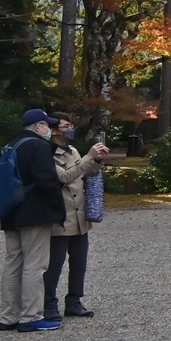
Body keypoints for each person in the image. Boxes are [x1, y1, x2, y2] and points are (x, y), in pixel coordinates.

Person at [0, 108, 68, 333]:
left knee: (13, 264)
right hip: (35, 212)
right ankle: (31, 316)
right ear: (38, 126)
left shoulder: (11, 146)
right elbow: (47, 180)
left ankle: (9, 316)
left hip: (11, 212)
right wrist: (57, 208)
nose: (49, 129)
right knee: (35, 265)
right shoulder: (38, 146)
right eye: (47, 125)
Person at [44, 114, 108, 320]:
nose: (70, 128)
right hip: (61, 216)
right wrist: (89, 157)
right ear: (54, 130)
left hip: (81, 217)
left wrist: (97, 161)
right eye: (66, 126)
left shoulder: (72, 150)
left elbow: (86, 171)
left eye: (71, 125)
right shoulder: (46, 154)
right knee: (54, 264)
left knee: (79, 262)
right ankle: (49, 303)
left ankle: (74, 301)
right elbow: (64, 177)